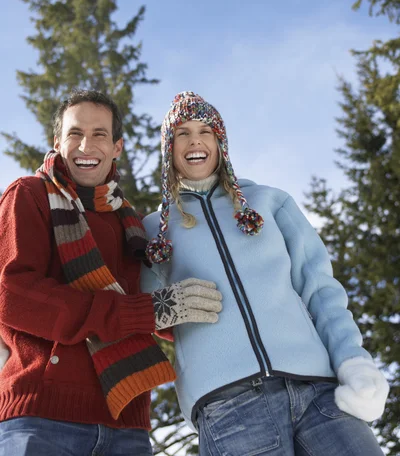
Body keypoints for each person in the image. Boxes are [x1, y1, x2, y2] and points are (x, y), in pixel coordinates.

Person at [141, 90, 390, 456]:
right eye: (182, 133)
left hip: (319, 391)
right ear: (169, 148)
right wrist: (162, 305)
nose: (195, 140)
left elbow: (320, 289)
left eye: (205, 131)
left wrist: (352, 358)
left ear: (220, 141)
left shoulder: (270, 203)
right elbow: (135, 309)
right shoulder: (154, 230)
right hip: (229, 407)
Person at [0, 89, 222, 456]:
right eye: (75, 134)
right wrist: (146, 311)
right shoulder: (30, 195)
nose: (87, 146)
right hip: (42, 417)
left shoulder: (131, 224)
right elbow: (12, 294)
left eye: (100, 134)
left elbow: (159, 304)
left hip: (127, 425)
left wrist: (176, 310)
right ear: (58, 142)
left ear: (117, 146)